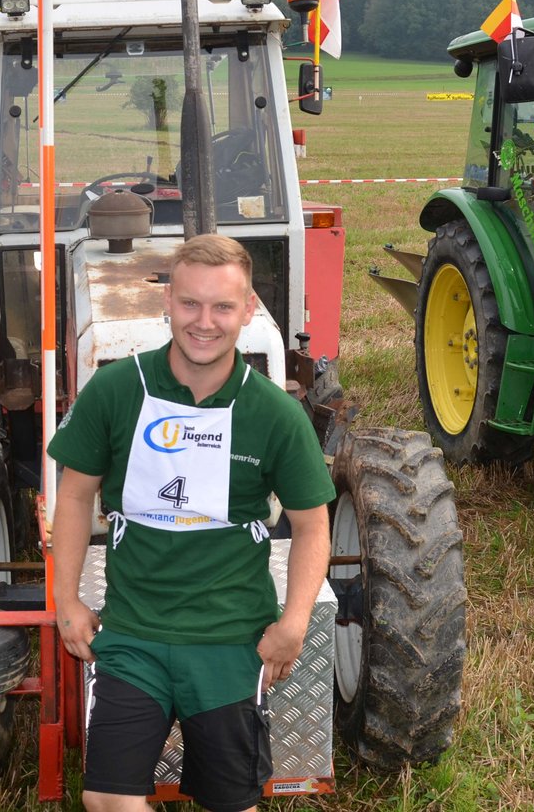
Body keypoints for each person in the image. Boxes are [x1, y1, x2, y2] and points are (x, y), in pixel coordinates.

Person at [49, 234, 335, 812]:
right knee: (105, 801)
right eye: (190, 304)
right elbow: (75, 497)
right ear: (167, 303)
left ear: (247, 310)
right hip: (134, 632)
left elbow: (312, 525)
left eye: (222, 306)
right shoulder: (115, 390)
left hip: (230, 637)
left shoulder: (275, 414)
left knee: (232, 805)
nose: (204, 322)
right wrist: (67, 599)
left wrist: (294, 621)